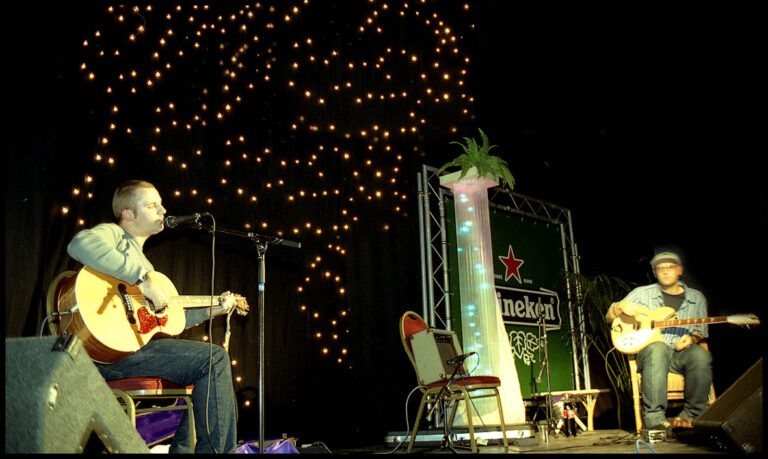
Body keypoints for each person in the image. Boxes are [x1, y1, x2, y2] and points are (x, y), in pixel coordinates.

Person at [67, 179, 239, 453]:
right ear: (128, 214)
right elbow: (80, 244)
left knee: (206, 368)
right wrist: (140, 278)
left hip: (134, 350)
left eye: (161, 204)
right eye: (152, 205)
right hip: (107, 356)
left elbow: (166, 322)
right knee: (213, 357)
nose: (163, 210)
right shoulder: (113, 235)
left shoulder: (145, 265)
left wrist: (212, 310)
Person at [605, 251, 712, 432]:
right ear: (655, 273)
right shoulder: (641, 294)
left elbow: (701, 331)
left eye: (670, 267)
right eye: (659, 268)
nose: (665, 271)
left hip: (680, 353)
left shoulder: (697, 298)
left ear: (680, 270)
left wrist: (692, 339)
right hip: (651, 354)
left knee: (700, 354)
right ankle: (655, 420)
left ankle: (692, 416)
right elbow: (610, 317)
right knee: (657, 347)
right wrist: (619, 307)